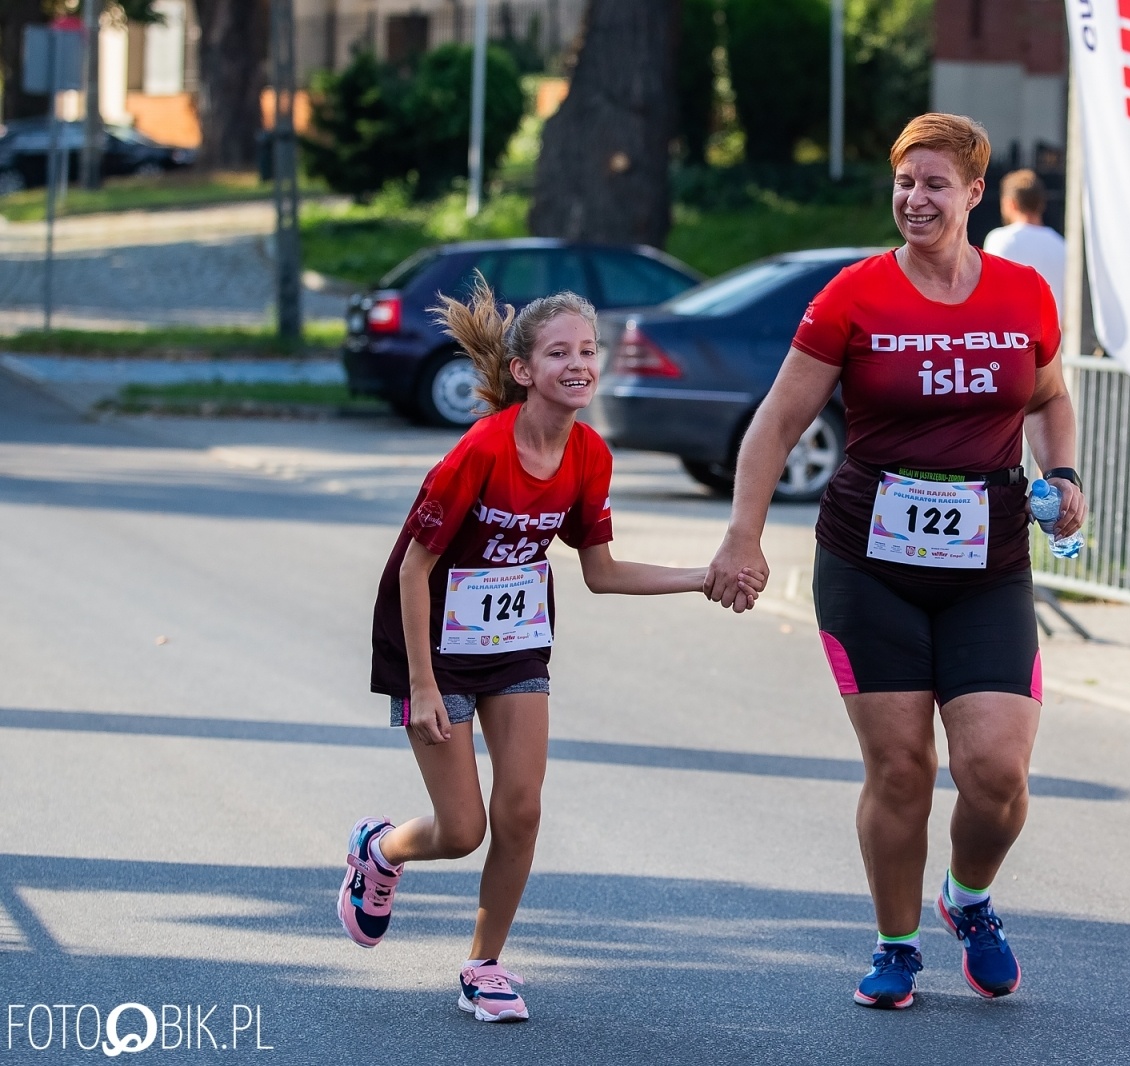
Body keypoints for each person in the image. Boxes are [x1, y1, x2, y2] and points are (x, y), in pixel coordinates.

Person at [705, 114, 1087, 1010]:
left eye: (935, 185)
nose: (916, 199)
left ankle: (969, 898)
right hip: (869, 563)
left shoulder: (1024, 294)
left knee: (997, 771)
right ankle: (896, 942)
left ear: (975, 194)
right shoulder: (854, 295)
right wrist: (742, 534)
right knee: (903, 766)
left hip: (988, 564)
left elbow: (1048, 399)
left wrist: (1063, 474)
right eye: (905, 182)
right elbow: (777, 422)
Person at [338, 279, 761, 1022]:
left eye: (588, 351)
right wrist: (424, 684)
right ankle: (380, 851)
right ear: (524, 370)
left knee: (523, 811)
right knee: (462, 831)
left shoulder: (589, 454)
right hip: (430, 643)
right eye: (559, 353)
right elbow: (411, 570)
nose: (579, 364)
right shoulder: (480, 451)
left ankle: (484, 967)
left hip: (516, 645)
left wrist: (704, 576)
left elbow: (601, 572)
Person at [982, 168, 1067, 314]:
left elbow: (989, 294)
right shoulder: (1062, 245)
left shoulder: (999, 239)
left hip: (1010, 328)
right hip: (1053, 328)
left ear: (1010, 204)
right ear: (1042, 204)